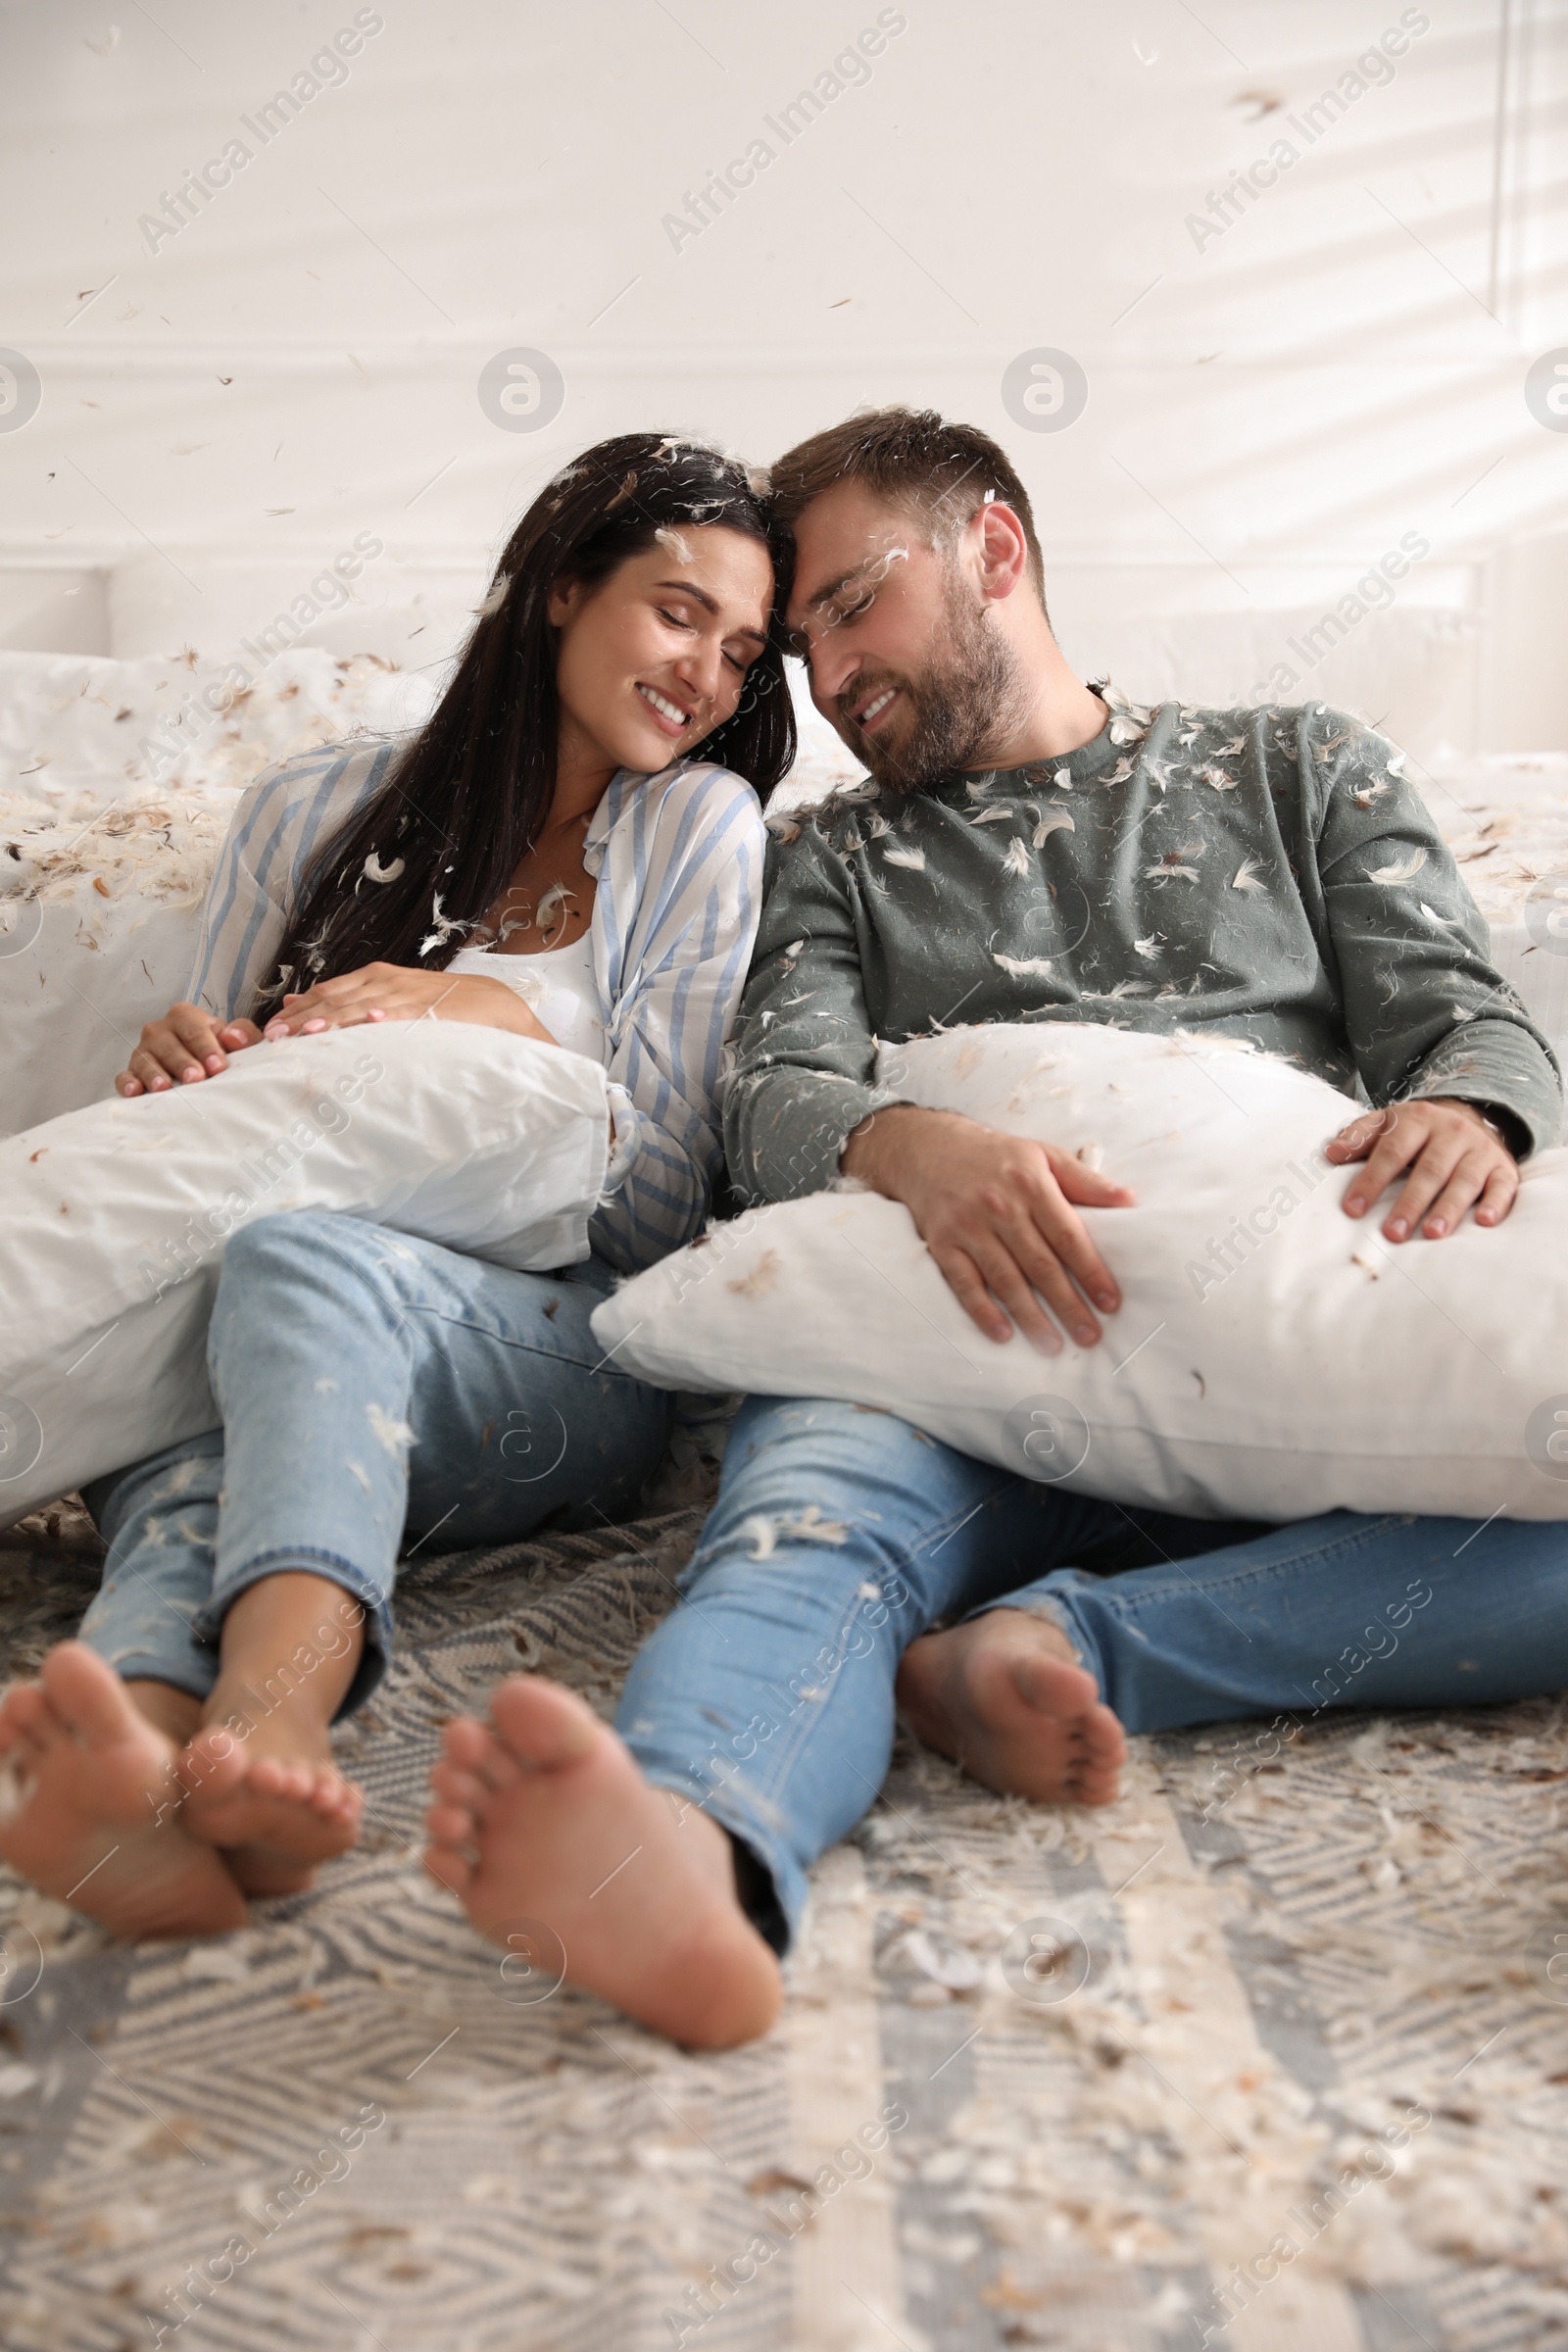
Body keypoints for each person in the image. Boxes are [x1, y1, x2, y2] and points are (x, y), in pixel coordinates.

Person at [421, 407, 1566, 2051]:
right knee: (808, 1527)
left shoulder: (1294, 764)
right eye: (794, 647)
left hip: (1284, 1358)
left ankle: (1079, 1645)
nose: (824, 678)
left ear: (996, 550)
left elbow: (1473, 1021)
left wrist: (1470, 1112)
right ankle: (689, 1856)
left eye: (848, 608)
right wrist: (909, 1142)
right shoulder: (829, 860)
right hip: (946, 1344)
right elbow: (763, 1099)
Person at [0, 432, 794, 1942]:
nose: (707, 672)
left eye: (744, 651)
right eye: (679, 611)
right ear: (564, 587)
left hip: (558, 1349)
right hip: (255, 1319)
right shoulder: (306, 810)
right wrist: (175, 1051)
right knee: (205, 1340)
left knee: (299, 1264)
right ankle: (144, 1759)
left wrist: (486, 1011)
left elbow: (656, 1215)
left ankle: (271, 1722)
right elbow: (208, 1131)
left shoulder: (693, 828)